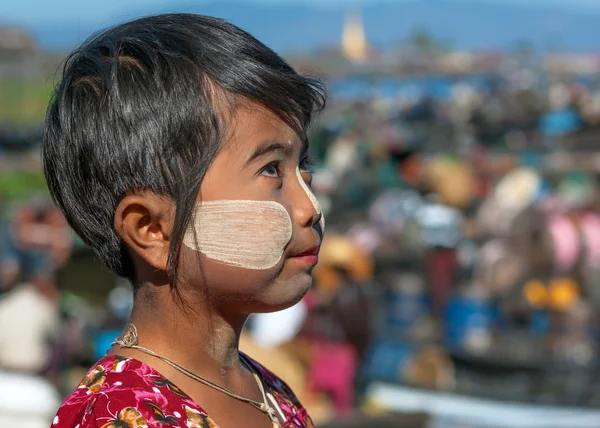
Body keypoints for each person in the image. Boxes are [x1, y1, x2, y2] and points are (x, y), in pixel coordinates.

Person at [43, 14, 325, 428]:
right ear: (152, 230)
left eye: (303, 164)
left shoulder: (272, 394)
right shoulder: (120, 416)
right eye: (271, 170)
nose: (310, 207)